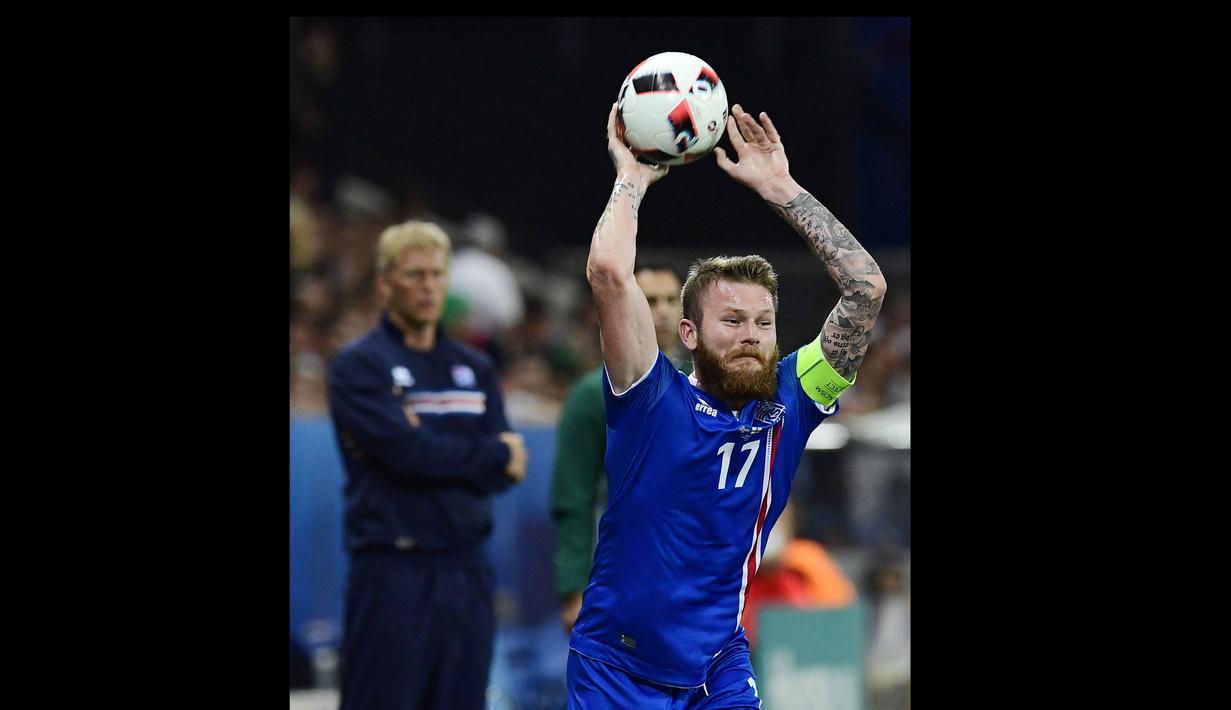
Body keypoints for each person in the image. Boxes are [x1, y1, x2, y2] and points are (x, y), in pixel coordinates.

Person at [567, 103, 887, 707]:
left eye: (763, 323)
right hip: (618, 666)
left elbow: (866, 288)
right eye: (732, 320)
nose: (751, 336)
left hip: (718, 664)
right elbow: (608, 272)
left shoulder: (793, 398)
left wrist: (780, 187)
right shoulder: (650, 395)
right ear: (688, 333)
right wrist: (632, 178)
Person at [326, 220, 529, 710]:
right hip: (393, 571)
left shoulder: (475, 367)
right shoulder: (360, 365)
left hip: (467, 570)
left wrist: (432, 444)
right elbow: (407, 455)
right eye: (414, 274)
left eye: (437, 274)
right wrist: (490, 452)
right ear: (384, 284)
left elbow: (511, 471)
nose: (429, 286)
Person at [550, 263, 689, 635]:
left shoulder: (704, 386)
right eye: (650, 300)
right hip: (621, 569)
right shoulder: (590, 396)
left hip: (692, 570)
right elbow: (574, 498)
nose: (662, 311)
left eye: (671, 300)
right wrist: (573, 588)